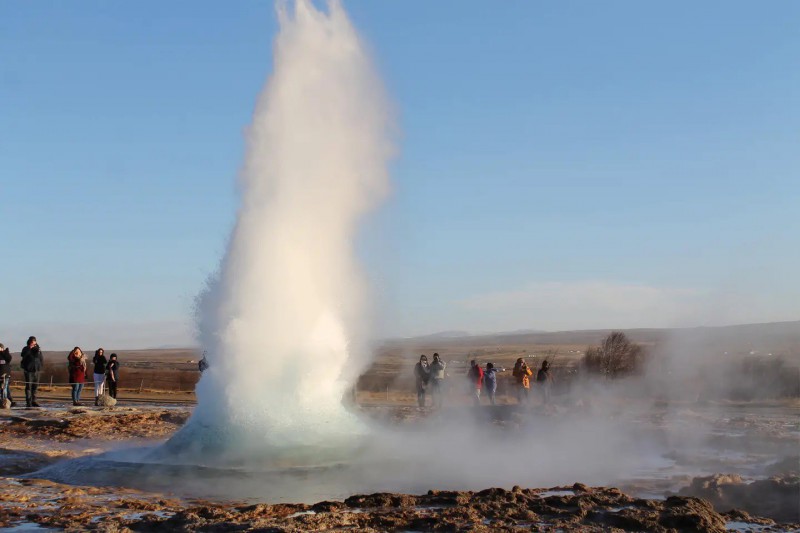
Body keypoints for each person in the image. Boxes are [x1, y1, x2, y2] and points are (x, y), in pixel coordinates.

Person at [21, 336, 44, 407]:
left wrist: (40, 366)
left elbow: (41, 358)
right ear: (29, 342)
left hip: (37, 370)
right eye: (32, 341)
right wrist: (29, 349)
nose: (33, 342)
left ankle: (34, 400)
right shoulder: (26, 348)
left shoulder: (38, 349)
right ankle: (28, 402)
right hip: (29, 370)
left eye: (34, 341)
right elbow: (23, 355)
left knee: (35, 386)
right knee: (29, 387)